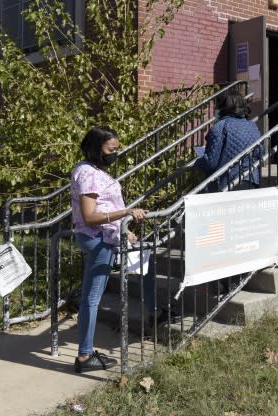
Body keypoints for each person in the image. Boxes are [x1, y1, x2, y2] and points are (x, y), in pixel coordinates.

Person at [71, 125, 160, 373]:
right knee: (91, 298)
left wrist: (123, 229)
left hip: (104, 236)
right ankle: (85, 356)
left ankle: (86, 353)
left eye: (116, 149)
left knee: (93, 295)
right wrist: (127, 212)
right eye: (111, 149)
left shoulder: (88, 169)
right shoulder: (89, 173)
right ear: (96, 147)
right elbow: (90, 215)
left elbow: (101, 207)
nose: (115, 154)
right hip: (97, 239)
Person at [195, 91, 262, 191]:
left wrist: (197, 163)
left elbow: (211, 162)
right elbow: (261, 153)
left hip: (227, 184)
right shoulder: (253, 126)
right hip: (250, 180)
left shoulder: (219, 127)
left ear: (223, 107)